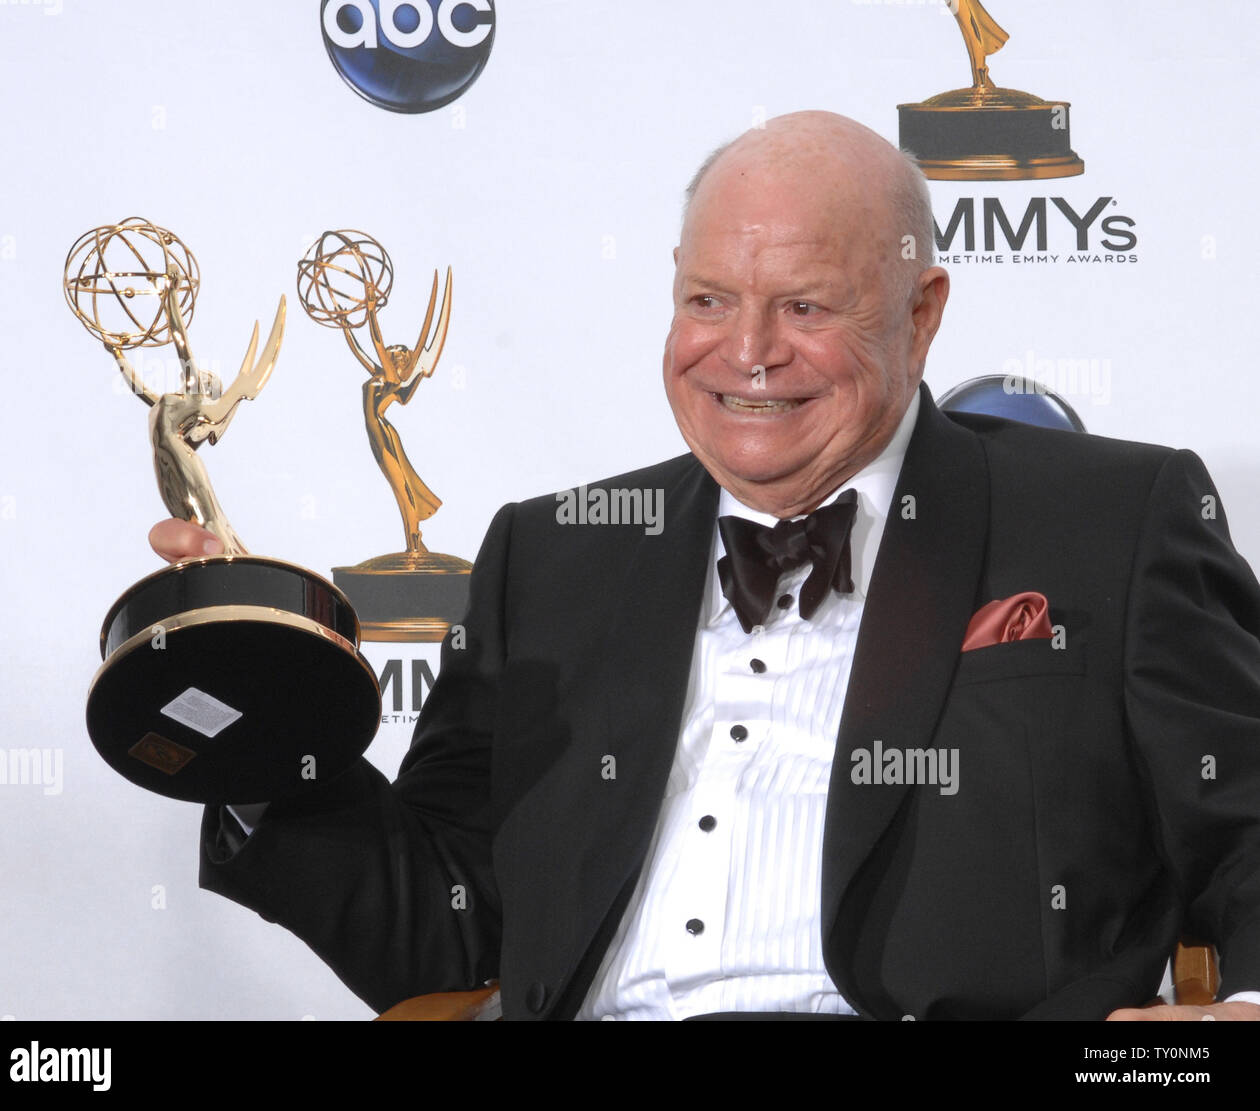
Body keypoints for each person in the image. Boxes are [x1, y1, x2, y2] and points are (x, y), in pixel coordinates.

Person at [152, 111, 1260, 1020]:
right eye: (707, 300)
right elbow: (449, 924)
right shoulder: (554, 553)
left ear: (920, 318)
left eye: (806, 306)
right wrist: (269, 714)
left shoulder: (1107, 521)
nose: (747, 352)